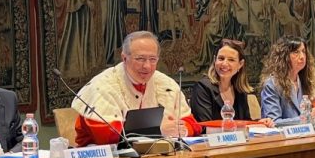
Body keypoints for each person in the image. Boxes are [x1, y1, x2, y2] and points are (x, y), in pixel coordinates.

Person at [73, 30, 202, 146]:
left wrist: (180, 130)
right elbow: (106, 135)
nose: (147, 66)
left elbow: (192, 124)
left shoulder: (166, 83)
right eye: (140, 59)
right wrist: (157, 130)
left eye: (153, 59)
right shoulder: (102, 85)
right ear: (124, 58)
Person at [190, 38, 272, 125]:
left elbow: (244, 121)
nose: (224, 64)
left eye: (231, 60)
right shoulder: (202, 87)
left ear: (240, 64)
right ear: (215, 60)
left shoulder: (240, 90)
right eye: (221, 58)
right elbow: (204, 126)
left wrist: (259, 123)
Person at [259, 37, 315, 123]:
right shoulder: (272, 84)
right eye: (296, 52)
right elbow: (273, 122)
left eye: (303, 52)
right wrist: (307, 117)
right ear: (284, 56)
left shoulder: (305, 81)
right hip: (281, 135)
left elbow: (307, 114)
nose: (302, 57)